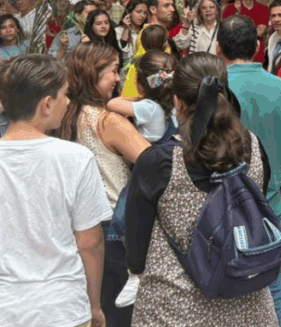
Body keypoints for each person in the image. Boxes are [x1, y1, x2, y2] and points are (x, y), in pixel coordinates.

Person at [124, 53, 276, 326]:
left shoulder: (159, 162)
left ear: (177, 101)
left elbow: (136, 250)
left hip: (175, 309)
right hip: (248, 305)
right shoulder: (253, 147)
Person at [0, 55, 112, 327]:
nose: (69, 101)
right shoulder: (75, 157)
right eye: (65, 94)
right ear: (46, 104)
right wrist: (94, 304)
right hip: (62, 306)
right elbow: (90, 242)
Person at [218, 15, 281, 327]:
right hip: (270, 205)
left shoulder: (213, 89)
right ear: (257, 47)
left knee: (225, 292)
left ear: (219, 48)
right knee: (273, 291)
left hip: (222, 208)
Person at [59, 42, 151, 326]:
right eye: (112, 71)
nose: (118, 79)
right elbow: (155, 164)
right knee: (118, 314)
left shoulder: (62, 115)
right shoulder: (107, 121)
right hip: (111, 230)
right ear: (92, 75)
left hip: (71, 229)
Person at [107, 50, 176, 144]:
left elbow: (111, 104)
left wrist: (139, 97)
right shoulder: (173, 100)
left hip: (151, 154)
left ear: (141, 84)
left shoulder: (149, 108)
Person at [122, 0, 176, 98]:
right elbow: (147, 80)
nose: (172, 9)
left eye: (172, 5)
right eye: (166, 6)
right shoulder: (147, 35)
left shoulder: (159, 33)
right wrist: (173, 75)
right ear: (153, 10)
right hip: (142, 102)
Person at [116, 0, 148, 68]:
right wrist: (126, 28)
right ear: (129, 12)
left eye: (145, 13)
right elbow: (123, 49)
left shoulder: (146, 31)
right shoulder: (118, 30)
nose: (142, 16)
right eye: (138, 12)